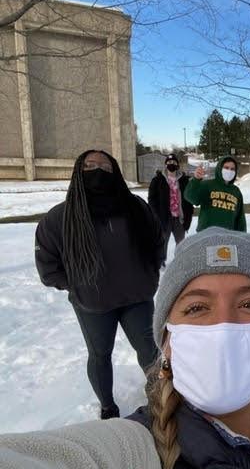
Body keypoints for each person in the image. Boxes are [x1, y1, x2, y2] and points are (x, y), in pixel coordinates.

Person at [3, 227, 250, 469]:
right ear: (168, 340)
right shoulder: (137, 451)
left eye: (249, 303)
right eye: (197, 308)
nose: (223, 324)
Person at [35, 149, 164, 419]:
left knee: (149, 352)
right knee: (100, 355)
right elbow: (48, 266)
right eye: (90, 165)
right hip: (94, 305)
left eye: (105, 166)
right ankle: (107, 406)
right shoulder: (59, 218)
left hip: (137, 297)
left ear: (115, 171)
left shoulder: (136, 208)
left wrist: (150, 272)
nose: (98, 170)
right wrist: (77, 284)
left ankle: (162, 397)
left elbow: (156, 243)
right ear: (77, 173)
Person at [148, 154, 194, 264]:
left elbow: (188, 201)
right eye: (169, 163)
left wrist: (188, 217)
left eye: (173, 163)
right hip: (164, 218)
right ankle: (161, 262)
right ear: (165, 165)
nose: (171, 165)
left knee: (181, 243)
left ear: (177, 165)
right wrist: (156, 215)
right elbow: (151, 199)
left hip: (179, 218)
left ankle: (180, 262)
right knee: (163, 242)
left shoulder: (184, 180)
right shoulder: (158, 180)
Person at [185, 156, 246, 232]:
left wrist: (241, 236)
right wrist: (196, 179)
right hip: (206, 234)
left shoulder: (236, 191)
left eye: (232, 169)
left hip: (227, 237)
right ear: (220, 168)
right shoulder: (207, 185)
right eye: (226, 168)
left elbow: (240, 218)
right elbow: (190, 197)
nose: (229, 171)